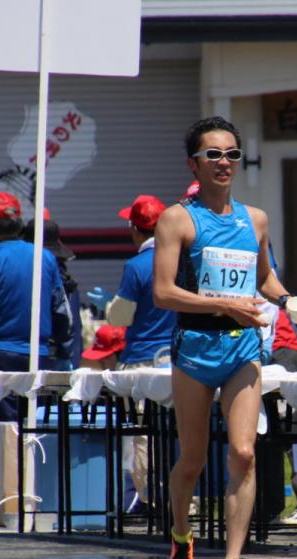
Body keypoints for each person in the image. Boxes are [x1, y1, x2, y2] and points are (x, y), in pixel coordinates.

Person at [152, 116, 297, 559]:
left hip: (243, 349)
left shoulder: (255, 219)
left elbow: (264, 278)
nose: (224, 163)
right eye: (213, 154)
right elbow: (163, 292)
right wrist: (224, 304)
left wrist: (286, 300)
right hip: (195, 348)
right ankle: (181, 538)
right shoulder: (177, 218)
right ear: (193, 163)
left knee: (243, 452)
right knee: (194, 459)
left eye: (232, 154)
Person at [0, 191, 72, 422]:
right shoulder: (46, 258)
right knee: (37, 428)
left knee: (4, 432)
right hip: (39, 355)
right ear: (19, 223)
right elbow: (61, 309)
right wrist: (63, 350)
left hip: (1, 360)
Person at [110, 194, 176, 507]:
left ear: (135, 229)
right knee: (178, 434)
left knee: (142, 437)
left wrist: (109, 309)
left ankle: (151, 500)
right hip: (178, 361)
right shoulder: (182, 260)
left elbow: (121, 317)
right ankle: (181, 498)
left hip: (140, 362)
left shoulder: (135, 266)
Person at [24, 210, 82, 369]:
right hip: (52, 353)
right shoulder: (65, 280)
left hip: (45, 353)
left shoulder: (64, 282)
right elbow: (69, 323)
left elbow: (68, 320)